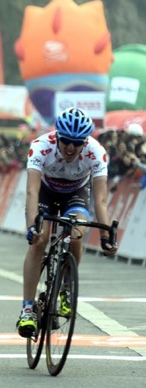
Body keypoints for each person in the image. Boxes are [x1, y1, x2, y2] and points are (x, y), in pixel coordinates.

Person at [17, 107, 118, 338]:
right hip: (45, 193)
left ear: (85, 141)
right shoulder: (41, 146)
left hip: (76, 194)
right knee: (39, 240)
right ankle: (27, 309)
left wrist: (106, 238)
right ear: (57, 136)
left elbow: (101, 201)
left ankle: (65, 289)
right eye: (66, 141)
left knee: (76, 234)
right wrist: (31, 227)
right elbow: (32, 192)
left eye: (77, 142)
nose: (71, 148)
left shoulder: (96, 152)